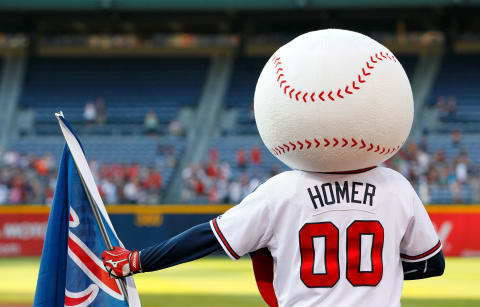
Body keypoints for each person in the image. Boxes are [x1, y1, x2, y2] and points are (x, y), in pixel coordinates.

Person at [102, 30, 444, 307]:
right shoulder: (397, 186)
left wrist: (137, 260)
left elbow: (208, 237)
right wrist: (376, 271)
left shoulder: (282, 191)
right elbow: (432, 264)